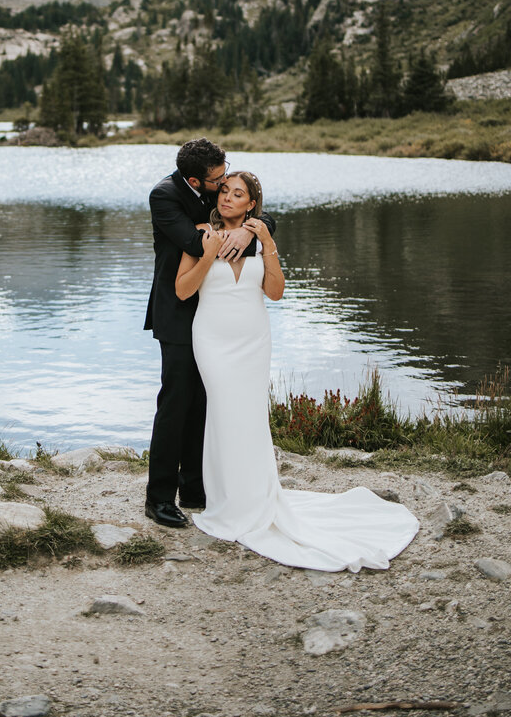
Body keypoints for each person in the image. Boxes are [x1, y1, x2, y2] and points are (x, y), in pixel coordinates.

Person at [176, 170, 419, 570]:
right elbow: (183, 290)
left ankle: (257, 498)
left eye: (238, 194)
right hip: (214, 340)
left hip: (253, 339)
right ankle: (227, 501)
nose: (227, 198)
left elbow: (274, 292)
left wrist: (266, 241)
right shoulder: (201, 232)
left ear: (252, 203)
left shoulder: (258, 237)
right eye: (223, 191)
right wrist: (207, 254)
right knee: (223, 411)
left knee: (251, 416)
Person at [144, 139, 275, 528]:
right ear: (194, 181)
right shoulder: (164, 196)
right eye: (218, 180)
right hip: (180, 310)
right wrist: (228, 233)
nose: (224, 187)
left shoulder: (219, 191)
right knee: (176, 401)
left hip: (217, 312)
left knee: (205, 402)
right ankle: (160, 497)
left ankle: (196, 487)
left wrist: (253, 230)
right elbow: (193, 240)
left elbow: (265, 214)